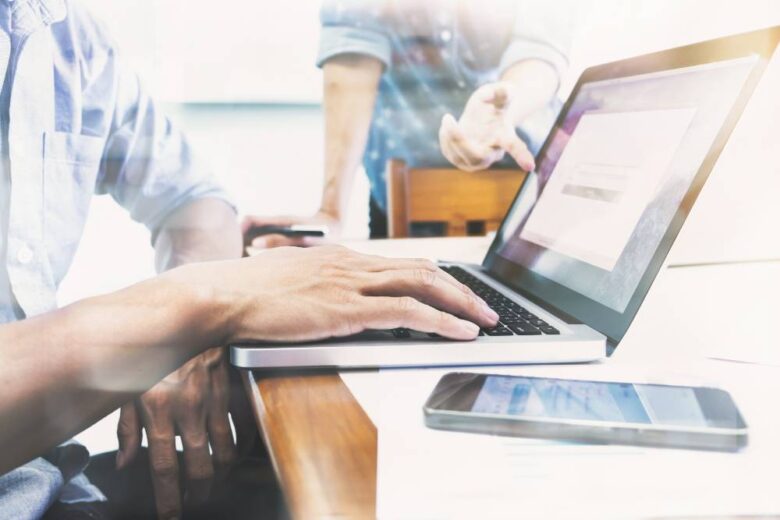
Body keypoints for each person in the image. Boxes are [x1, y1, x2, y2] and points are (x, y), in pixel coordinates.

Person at [243, 0, 573, 246]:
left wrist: (503, 110)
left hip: (533, 182)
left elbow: (539, 48)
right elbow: (353, 47)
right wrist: (331, 212)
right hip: (398, 186)